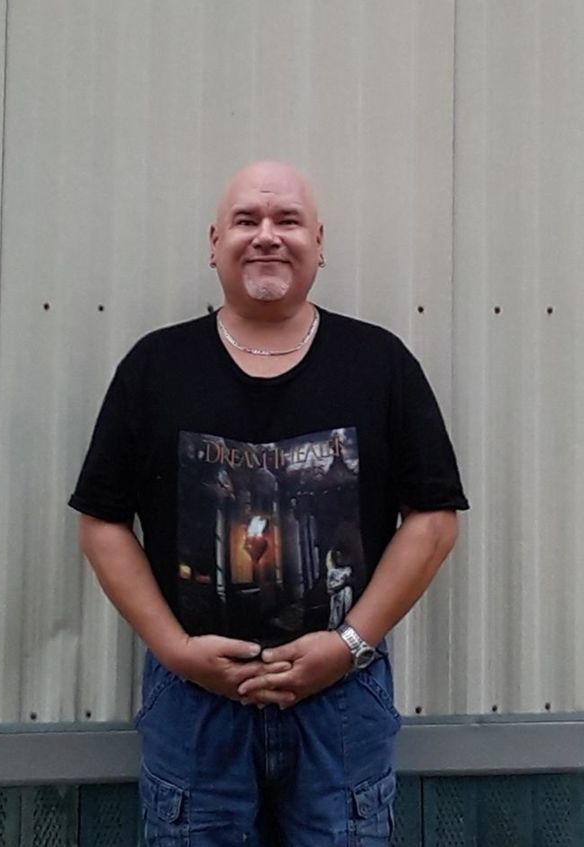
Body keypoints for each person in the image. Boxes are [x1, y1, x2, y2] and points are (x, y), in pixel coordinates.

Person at [69, 160, 469, 846]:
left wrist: (347, 645)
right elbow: (102, 522)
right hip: (192, 705)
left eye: (287, 220)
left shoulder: (380, 363)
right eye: (246, 220)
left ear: (319, 241)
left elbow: (433, 521)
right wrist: (177, 650)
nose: (266, 235)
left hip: (343, 700)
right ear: (214, 242)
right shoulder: (155, 367)